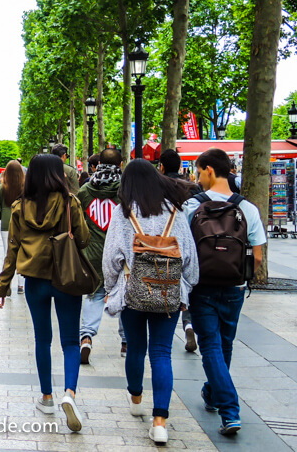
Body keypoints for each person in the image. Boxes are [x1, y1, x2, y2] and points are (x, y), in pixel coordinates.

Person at [102, 159, 199, 446]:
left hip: (132, 291)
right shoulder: (175, 212)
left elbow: (111, 259)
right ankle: (160, 422)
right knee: (161, 353)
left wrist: (110, 288)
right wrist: (185, 287)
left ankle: (135, 396)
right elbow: (190, 258)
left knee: (135, 347)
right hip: (169, 294)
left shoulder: (123, 214)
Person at [0, 154, 89, 432]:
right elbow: (83, 239)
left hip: (35, 280)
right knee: (71, 341)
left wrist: (2, 286)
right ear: (59, 174)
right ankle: (69, 394)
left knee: (42, 339)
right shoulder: (71, 202)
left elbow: (12, 250)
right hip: (66, 279)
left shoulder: (19, 207)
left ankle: (46, 397)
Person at [183, 148, 265, 436]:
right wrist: (241, 278)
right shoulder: (248, 208)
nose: (196, 176)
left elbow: (183, 248)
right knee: (224, 344)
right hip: (233, 288)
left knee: (211, 347)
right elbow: (256, 255)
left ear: (208, 169)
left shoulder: (192, 206)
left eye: (197, 170)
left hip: (202, 286)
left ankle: (229, 411)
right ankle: (212, 393)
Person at [76, 148, 126, 363]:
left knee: (94, 294)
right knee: (125, 294)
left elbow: (79, 223)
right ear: (121, 165)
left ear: (96, 166)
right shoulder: (125, 191)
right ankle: (126, 341)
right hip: (120, 251)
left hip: (93, 251)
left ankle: (86, 336)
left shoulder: (85, 191)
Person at [157, 148, 199, 352]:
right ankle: (189, 323)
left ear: (162, 166)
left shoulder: (158, 187)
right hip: (192, 243)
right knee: (186, 282)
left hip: (167, 246)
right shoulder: (193, 188)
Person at [0, 160, 24, 295]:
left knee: (7, 254)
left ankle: (7, 284)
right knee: (22, 254)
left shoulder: (1, 187)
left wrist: (1, 216)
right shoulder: (25, 187)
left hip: (6, 224)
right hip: (23, 224)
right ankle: (21, 285)